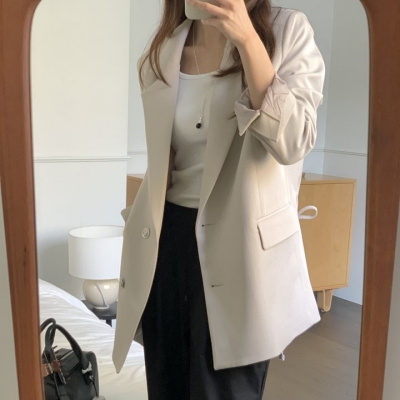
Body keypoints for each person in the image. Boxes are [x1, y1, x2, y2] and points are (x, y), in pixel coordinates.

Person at [112, 0, 325, 399]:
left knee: (226, 391)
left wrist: (247, 40)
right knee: (167, 386)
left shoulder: (287, 32)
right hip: (167, 244)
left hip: (239, 245)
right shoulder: (165, 49)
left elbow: (295, 141)